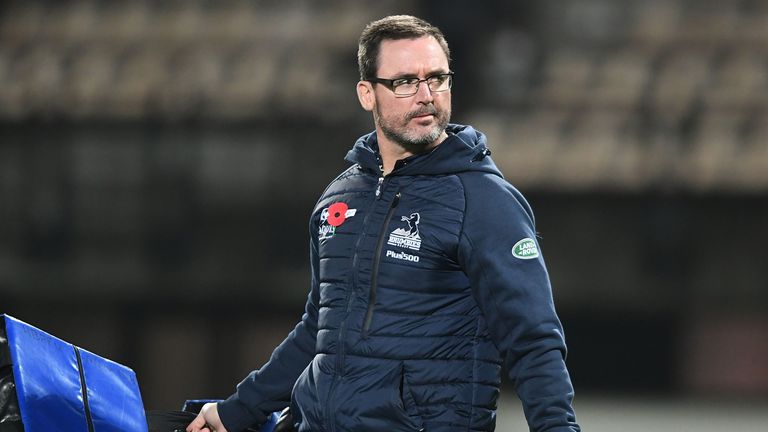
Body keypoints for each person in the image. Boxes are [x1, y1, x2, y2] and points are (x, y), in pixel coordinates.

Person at [188, 14, 579, 432]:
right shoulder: (340, 196)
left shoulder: (485, 201)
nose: (426, 96)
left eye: (437, 78)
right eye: (405, 82)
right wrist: (236, 411)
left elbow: (533, 340)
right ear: (367, 94)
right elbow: (319, 329)